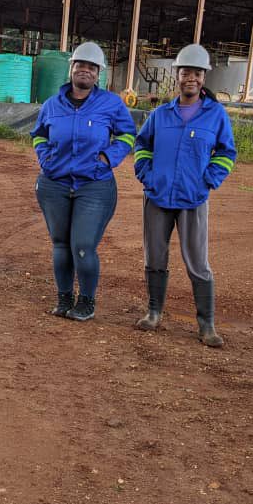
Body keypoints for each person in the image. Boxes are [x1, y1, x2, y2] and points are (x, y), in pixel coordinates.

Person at [132, 43, 236, 347]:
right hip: (158, 196)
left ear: (204, 78)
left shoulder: (215, 115)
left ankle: (206, 325)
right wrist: (146, 175)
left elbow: (226, 152)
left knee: (198, 263)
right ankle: (154, 313)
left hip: (193, 199)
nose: (190, 77)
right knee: (155, 257)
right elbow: (142, 146)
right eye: (185, 72)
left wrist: (208, 180)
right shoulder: (160, 114)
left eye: (197, 73)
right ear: (176, 75)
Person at [31, 42, 137, 321]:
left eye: (92, 67)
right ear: (71, 69)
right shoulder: (52, 104)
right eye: (80, 65)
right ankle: (64, 297)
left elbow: (127, 135)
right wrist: (45, 158)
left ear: (98, 73)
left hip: (94, 184)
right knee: (60, 243)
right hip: (55, 182)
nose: (85, 71)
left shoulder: (111, 104)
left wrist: (107, 157)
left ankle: (86, 301)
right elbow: (39, 134)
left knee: (82, 244)